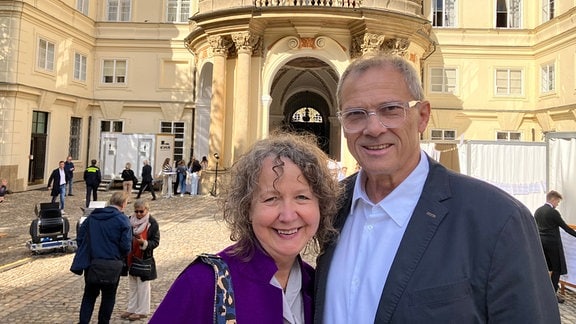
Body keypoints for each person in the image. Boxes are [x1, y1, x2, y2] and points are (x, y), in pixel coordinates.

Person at [314, 54, 560, 323]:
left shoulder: (497, 219)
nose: (373, 128)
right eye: (356, 114)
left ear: (422, 117)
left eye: (391, 110)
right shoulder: (328, 207)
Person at [149, 132, 341, 323]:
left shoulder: (318, 288)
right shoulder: (202, 283)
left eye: (302, 197)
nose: (288, 216)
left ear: (320, 206)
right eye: (271, 198)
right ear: (247, 208)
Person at [71, 191, 132, 324]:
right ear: (123, 204)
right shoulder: (123, 220)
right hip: (112, 264)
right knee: (108, 297)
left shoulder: (93, 217)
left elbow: (80, 237)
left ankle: (83, 322)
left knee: (89, 296)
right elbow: (126, 246)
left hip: (93, 263)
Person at [121, 199, 160, 321]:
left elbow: (156, 241)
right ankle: (132, 308)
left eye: (141, 212)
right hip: (130, 257)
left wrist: (145, 243)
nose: (138, 214)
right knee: (132, 285)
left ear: (146, 210)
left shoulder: (152, 223)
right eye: (136, 211)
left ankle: (142, 310)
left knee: (143, 286)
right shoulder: (129, 220)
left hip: (144, 258)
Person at [535, 190, 576, 303]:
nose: (557, 204)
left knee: (546, 268)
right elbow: (565, 227)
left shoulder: (538, 211)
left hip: (541, 243)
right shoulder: (553, 213)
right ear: (553, 199)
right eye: (557, 201)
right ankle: (553, 293)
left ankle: (543, 291)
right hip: (552, 244)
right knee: (557, 268)